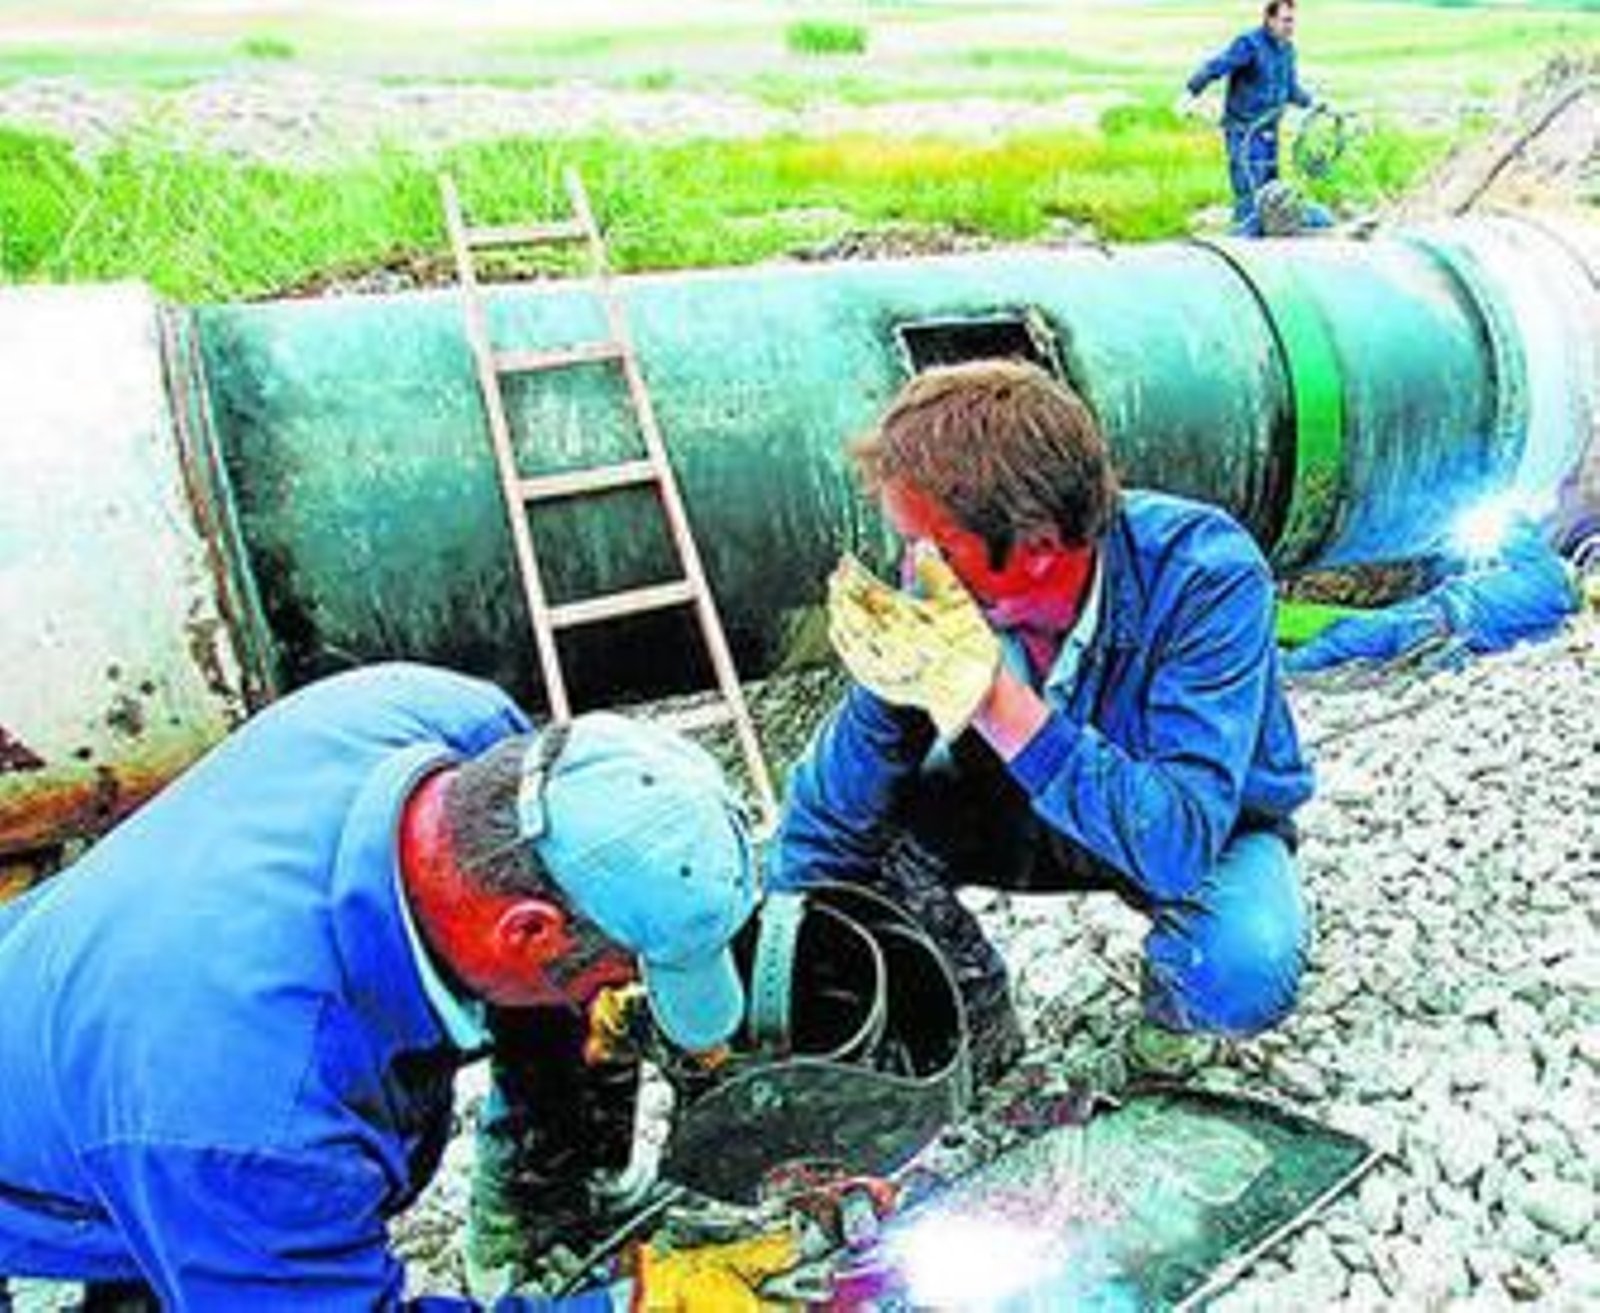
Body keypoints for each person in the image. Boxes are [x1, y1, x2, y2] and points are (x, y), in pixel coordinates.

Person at [0, 662, 766, 1310]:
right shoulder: (258, 1127)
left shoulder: (445, 724)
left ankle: (538, 1203)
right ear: (528, 931)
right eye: (618, 973)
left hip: (77, 975)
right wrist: (632, 1301)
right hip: (75, 1133)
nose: (615, 995)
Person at [773, 361, 1315, 1083]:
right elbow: (838, 799)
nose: (915, 561)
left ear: (1033, 547)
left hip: (1187, 825)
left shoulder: (1205, 576)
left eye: (934, 542)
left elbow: (1176, 843)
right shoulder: (940, 580)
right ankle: (977, 1021)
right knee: (864, 843)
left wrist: (992, 694)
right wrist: (783, 942)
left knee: (1243, 963)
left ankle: (1166, 1042)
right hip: (1021, 808)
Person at [1181, 0, 1324, 236]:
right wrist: (1190, 92)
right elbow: (1217, 66)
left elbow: (1290, 89)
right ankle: (1240, 245)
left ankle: (1268, 251)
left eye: (1293, 21)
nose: (1291, 26)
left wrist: (1313, 103)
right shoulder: (1248, 44)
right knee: (1249, 197)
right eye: (1285, 20)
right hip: (1244, 134)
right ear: (1269, 20)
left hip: (1269, 135)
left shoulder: (1287, 50)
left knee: (1271, 199)